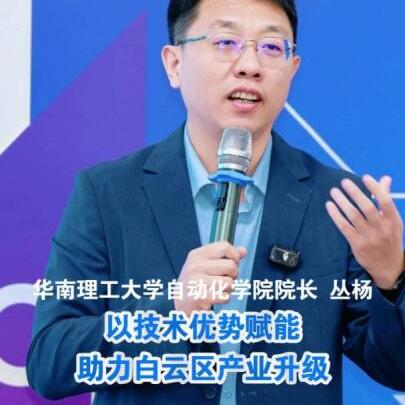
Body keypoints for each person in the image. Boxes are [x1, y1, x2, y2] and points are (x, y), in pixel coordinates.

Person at [27, 0, 405, 404]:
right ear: (175, 64)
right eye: (226, 42)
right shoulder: (108, 193)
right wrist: (173, 309)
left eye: (271, 47)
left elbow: (396, 369)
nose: (250, 65)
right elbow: (50, 361)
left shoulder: (339, 203)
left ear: (293, 69)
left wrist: (392, 278)